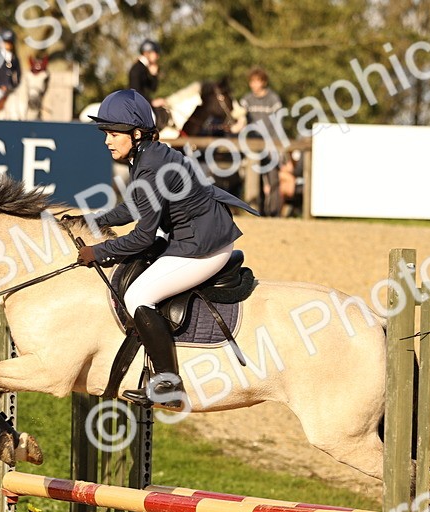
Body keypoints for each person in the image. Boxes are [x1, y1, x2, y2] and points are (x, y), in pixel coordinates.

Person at [76, 89, 257, 409]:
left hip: (203, 247)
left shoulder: (151, 164)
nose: (107, 140)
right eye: (105, 133)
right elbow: (133, 206)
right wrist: (90, 220)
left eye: (113, 133)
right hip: (193, 236)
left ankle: (168, 385)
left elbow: (143, 236)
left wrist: (99, 252)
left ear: (135, 133)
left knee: (137, 296)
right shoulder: (147, 155)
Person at [238, 67, 284, 217]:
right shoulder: (246, 100)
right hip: (253, 145)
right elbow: (240, 118)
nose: (254, 85)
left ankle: (274, 212)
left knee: (273, 179)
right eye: (252, 82)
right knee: (254, 179)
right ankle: (258, 211)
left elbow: (278, 123)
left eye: (257, 81)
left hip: (271, 144)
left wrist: (278, 145)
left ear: (263, 82)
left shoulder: (273, 99)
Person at [128, 39, 166, 110]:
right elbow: (135, 92)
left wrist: (154, 75)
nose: (157, 56)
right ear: (147, 53)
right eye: (156, 53)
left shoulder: (145, 68)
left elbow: (153, 88)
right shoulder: (137, 69)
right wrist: (152, 102)